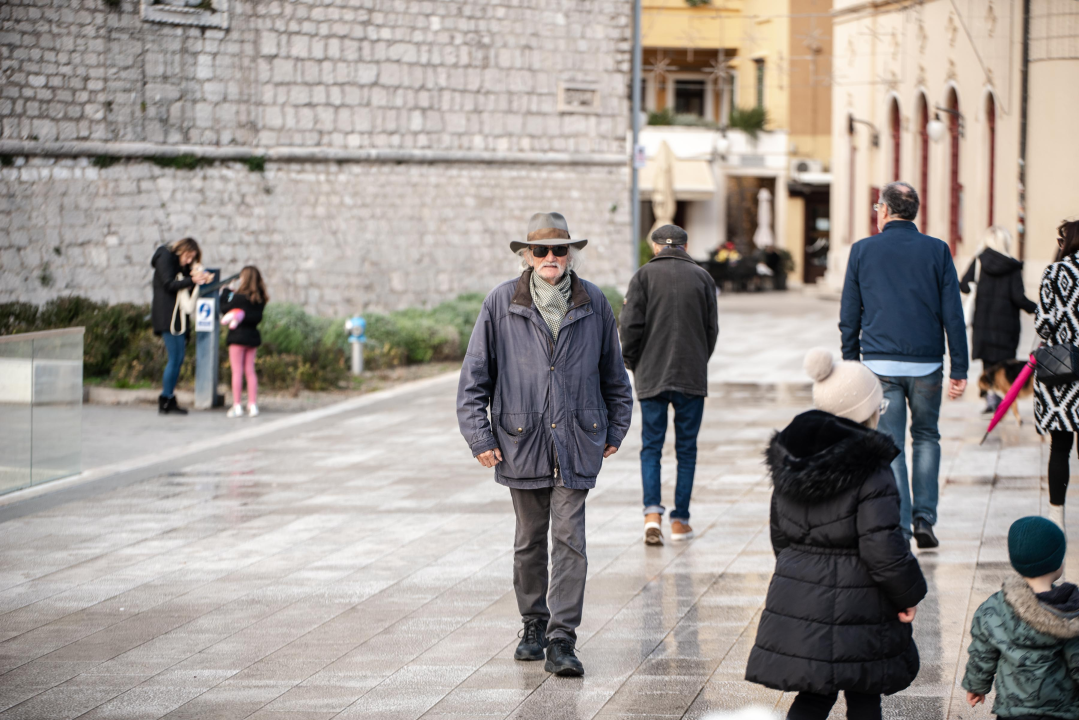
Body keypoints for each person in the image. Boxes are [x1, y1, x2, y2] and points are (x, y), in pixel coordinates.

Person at [456, 211, 632, 677]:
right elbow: (474, 378)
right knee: (529, 540)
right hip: (521, 441)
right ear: (526, 256)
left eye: (560, 249)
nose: (552, 257)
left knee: (570, 540)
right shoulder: (501, 302)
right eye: (542, 250)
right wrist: (480, 437)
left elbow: (615, 376)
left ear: (571, 252)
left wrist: (613, 431)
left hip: (577, 440)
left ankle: (562, 638)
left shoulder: (593, 300)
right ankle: (533, 624)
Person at [745, 348, 927, 720]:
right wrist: (908, 594)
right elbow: (883, 547)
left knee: (813, 696)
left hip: (803, 595)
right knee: (864, 695)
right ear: (865, 413)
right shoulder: (872, 469)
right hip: (862, 601)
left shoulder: (790, 458)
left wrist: (804, 575)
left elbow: (779, 535)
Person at [840, 181, 969, 549]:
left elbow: (849, 316)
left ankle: (901, 526)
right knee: (927, 437)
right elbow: (954, 316)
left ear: (883, 210)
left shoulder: (862, 251)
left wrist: (852, 366)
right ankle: (925, 517)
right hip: (927, 364)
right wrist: (959, 368)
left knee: (891, 444)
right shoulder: (937, 250)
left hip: (880, 364)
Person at [620, 224, 718, 545]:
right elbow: (711, 330)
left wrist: (633, 362)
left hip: (651, 373)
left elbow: (630, 327)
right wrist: (699, 359)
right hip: (691, 374)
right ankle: (680, 521)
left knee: (652, 447)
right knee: (686, 450)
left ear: (655, 247)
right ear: (686, 246)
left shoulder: (643, 277)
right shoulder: (703, 278)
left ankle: (651, 516)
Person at [962, 516, 1078, 718]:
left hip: (1011, 712)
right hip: (1061, 711)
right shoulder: (1068, 612)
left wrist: (976, 685)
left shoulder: (994, 608)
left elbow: (983, 653)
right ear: (1058, 563)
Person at [960, 226, 1037, 413]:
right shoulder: (1012, 266)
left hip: (983, 324)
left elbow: (963, 285)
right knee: (1005, 365)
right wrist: (1036, 308)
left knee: (988, 363)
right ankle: (1004, 398)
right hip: (1007, 325)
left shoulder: (979, 262)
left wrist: (977, 290)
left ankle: (991, 398)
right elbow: (1018, 298)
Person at [1034, 219, 1079, 532]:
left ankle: (1057, 517)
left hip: (1062, 373)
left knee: (1059, 447)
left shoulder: (1054, 272)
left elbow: (1043, 325)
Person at [151, 237, 210, 415]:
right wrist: (194, 280)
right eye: (188, 256)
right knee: (175, 358)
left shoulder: (181, 264)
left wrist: (199, 274)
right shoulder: (166, 257)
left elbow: (185, 282)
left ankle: (169, 398)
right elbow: (169, 284)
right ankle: (166, 399)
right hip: (167, 316)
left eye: (192, 257)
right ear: (182, 250)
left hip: (179, 317)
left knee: (179, 358)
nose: (189, 260)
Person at [220, 266, 267, 418]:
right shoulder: (260, 299)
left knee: (237, 372)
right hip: (252, 337)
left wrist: (226, 292)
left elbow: (224, 308)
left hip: (237, 338)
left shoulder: (238, 298)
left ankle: (237, 405)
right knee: (250, 371)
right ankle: (252, 404)